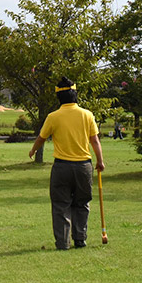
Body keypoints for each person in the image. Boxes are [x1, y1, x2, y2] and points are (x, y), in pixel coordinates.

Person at [28, 77, 105, 250]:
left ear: (59, 97)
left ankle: (63, 243)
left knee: (60, 204)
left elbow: (41, 138)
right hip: (83, 166)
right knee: (82, 202)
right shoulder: (87, 115)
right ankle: (80, 239)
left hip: (61, 167)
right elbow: (95, 141)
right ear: (75, 94)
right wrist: (100, 161)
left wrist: (33, 151)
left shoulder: (53, 116)